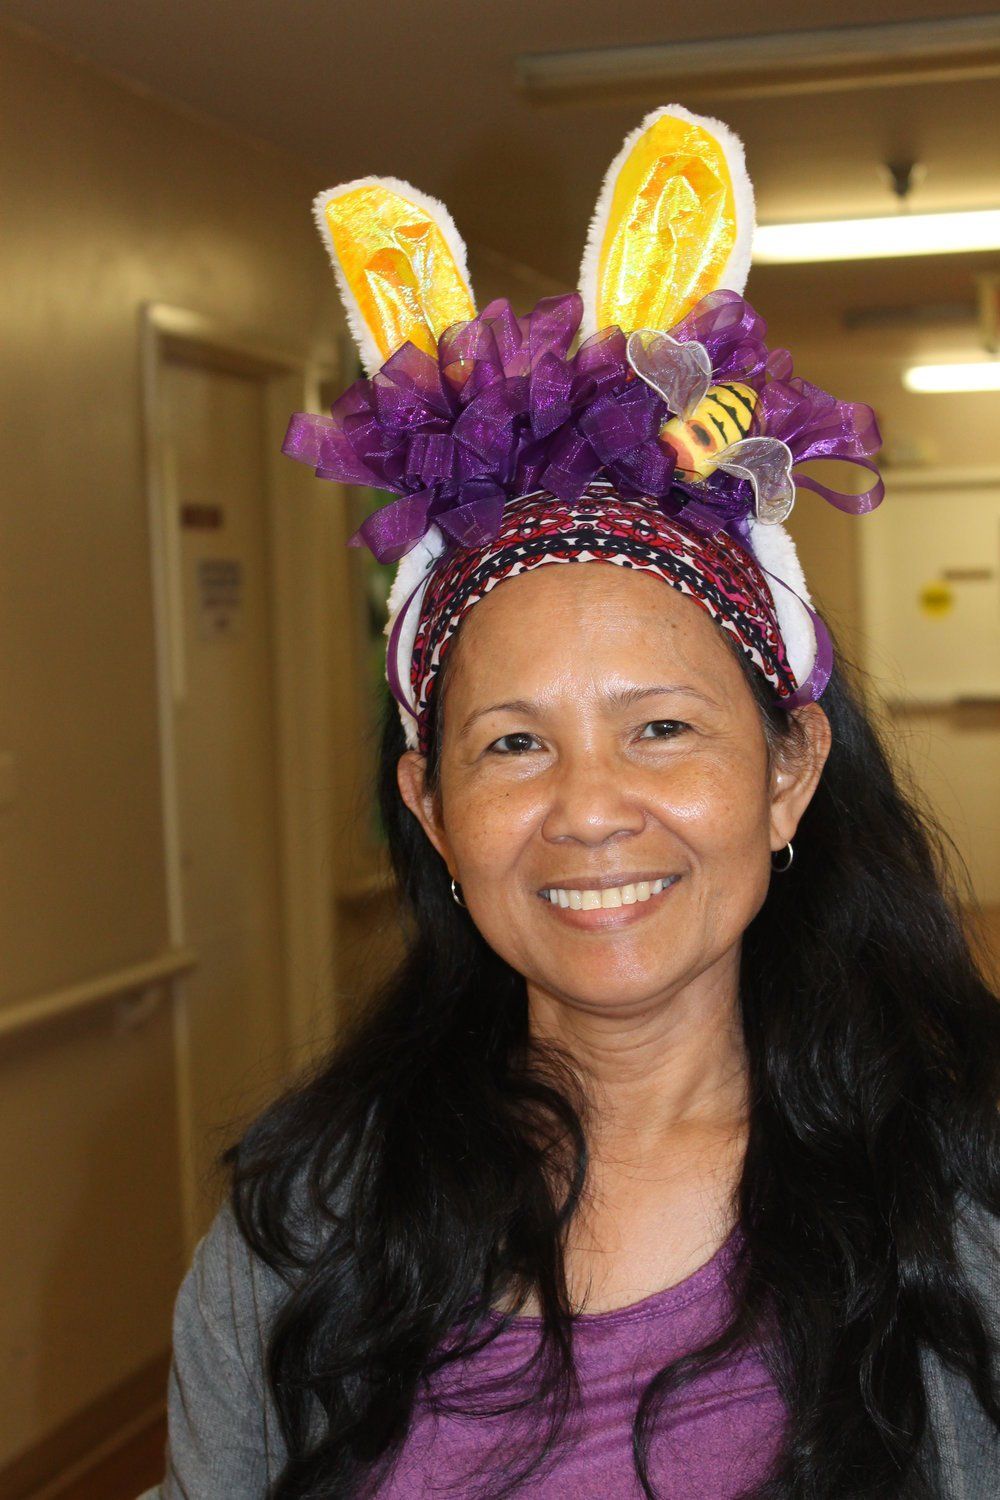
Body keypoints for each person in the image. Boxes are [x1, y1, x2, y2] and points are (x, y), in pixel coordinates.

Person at [140, 106, 999, 1499]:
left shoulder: (962, 1200)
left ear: (789, 773)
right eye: (513, 747)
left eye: (661, 728)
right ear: (431, 809)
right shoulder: (307, 1222)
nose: (591, 811)